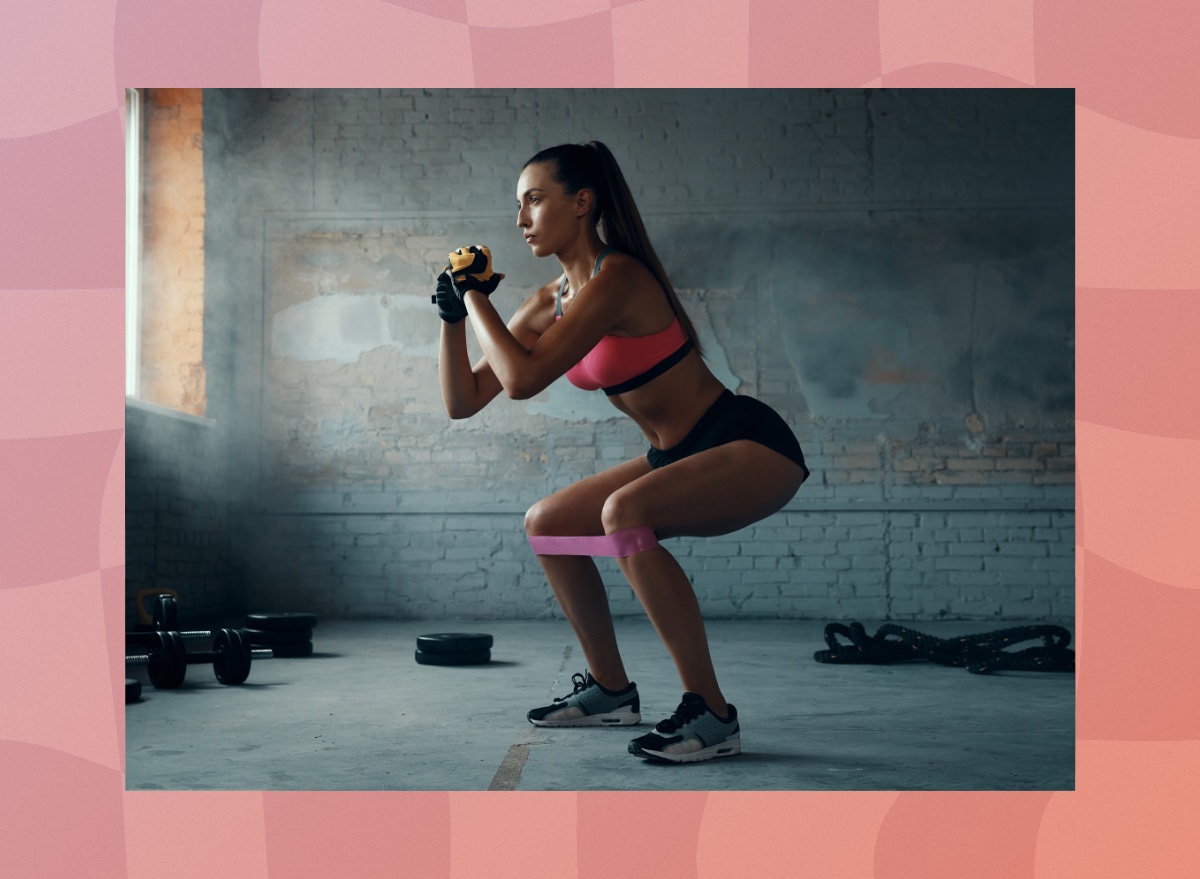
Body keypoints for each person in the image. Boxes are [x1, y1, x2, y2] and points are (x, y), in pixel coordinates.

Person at [434, 141, 810, 763]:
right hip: (675, 454)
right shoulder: (545, 302)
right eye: (517, 205)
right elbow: (464, 400)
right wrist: (454, 316)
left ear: (581, 202)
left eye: (533, 200)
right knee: (547, 522)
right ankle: (611, 690)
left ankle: (713, 715)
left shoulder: (620, 278)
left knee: (622, 513)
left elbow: (525, 382)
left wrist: (476, 299)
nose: (520, 219)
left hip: (746, 442)